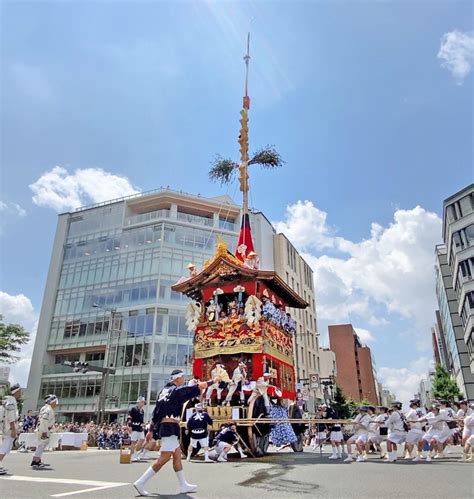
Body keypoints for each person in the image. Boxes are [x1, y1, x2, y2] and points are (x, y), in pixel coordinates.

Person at [133, 369, 213, 496]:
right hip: (170, 426)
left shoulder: (163, 392)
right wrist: (213, 381)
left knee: (176, 454)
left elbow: (156, 412)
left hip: (166, 425)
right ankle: (141, 482)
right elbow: (193, 389)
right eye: (182, 378)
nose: (183, 380)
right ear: (177, 379)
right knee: (163, 458)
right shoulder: (175, 391)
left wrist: (151, 429)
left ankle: (183, 485)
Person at [31, 394, 58, 470]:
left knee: (41, 445)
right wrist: (45, 431)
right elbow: (44, 420)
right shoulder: (48, 409)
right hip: (44, 429)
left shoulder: (44, 408)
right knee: (41, 445)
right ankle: (35, 460)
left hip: (41, 428)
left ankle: (37, 460)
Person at [0, 383, 21, 475]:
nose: (21, 393)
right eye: (20, 391)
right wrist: (13, 429)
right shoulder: (11, 400)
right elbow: (11, 416)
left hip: (3, 426)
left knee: (4, 447)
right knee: (4, 447)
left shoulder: (6, 399)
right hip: (8, 428)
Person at [127, 396, 146, 462]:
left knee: (142, 440)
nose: (143, 403)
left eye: (143, 402)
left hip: (140, 428)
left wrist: (143, 424)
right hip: (134, 427)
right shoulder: (133, 409)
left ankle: (136, 453)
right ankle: (132, 456)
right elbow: (129, 418)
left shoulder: (142, 411)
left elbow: (141, 420)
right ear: (138, 402)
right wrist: (129, 426)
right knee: (133, 442)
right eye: (142, 402)